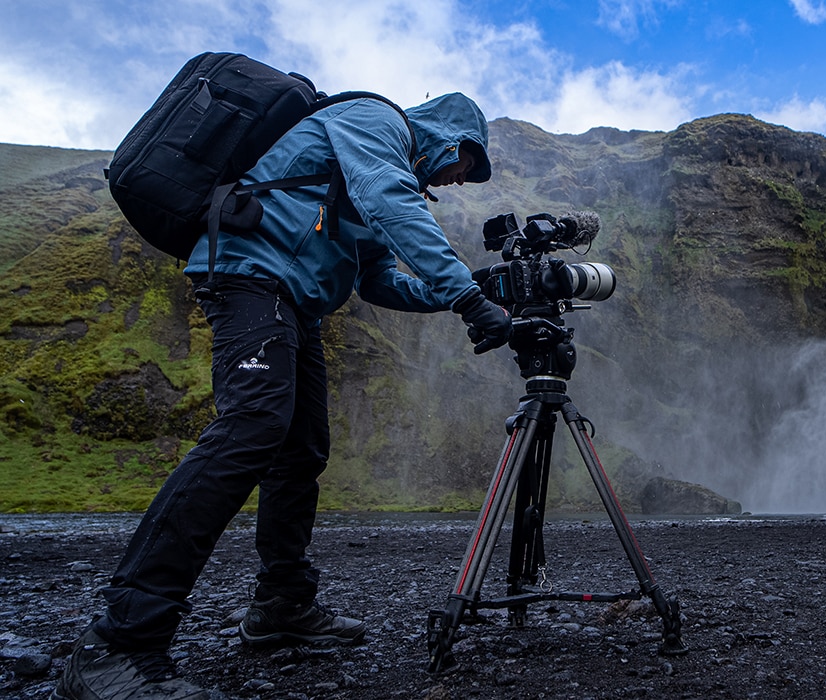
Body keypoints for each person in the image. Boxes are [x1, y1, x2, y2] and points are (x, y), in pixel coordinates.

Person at [53, 92, 511, 700]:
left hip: (295, 302)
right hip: (249, 275)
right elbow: (390, 202)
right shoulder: (377, 125)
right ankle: (117, 643)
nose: (456, 183)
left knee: (301, 452)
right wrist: (466, 297)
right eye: (462, 169)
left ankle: (281, 607)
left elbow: (377, 280)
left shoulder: (377, 167)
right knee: (251, 427)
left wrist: (470, 291)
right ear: (454, 143)